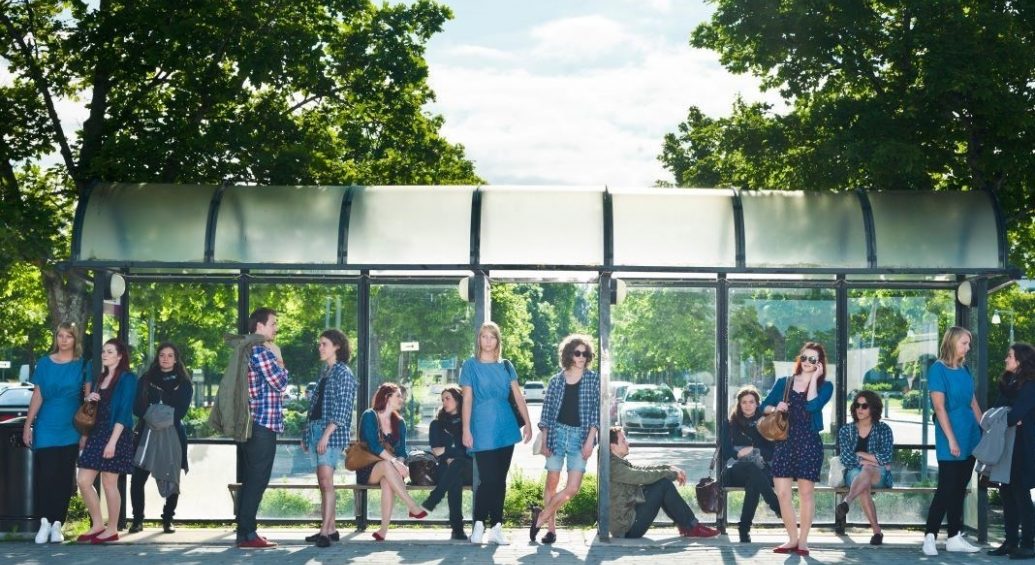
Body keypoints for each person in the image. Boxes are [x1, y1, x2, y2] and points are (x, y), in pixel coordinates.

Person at [461, 321, 532, 545]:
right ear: (479, 340)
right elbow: (467, 399)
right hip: (481, 426)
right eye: (484, 336)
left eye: (492, 337)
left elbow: (518, 396)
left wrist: (528, 423)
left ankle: (497, 527)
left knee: (499, 480)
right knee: (488, 479)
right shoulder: (470, 365)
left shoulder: (506, 365)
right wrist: (465, 429)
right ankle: (479, 524)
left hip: (506, 425)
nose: (488, 341)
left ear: (497, 341)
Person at [761, 341, 833, 556]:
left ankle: (803, 542)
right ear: (799, 359)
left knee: (806, 493)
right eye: (805, 358)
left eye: (813, 359)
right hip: (784, 443)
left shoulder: (825, 386)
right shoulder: (784, 382)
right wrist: (776, 407)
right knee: (782, 493)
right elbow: (762, 407)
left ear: (819, 363)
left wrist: (812, 381)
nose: (808, 362)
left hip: (809, 444)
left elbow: (812, 406)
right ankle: (791, 538)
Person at [530, 334, 600, 544]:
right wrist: (544, 438)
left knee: (573, 488)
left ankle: (541, 516)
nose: (581, 357)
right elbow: (547, 412)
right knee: (551, 482)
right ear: (569, 354)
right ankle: (550, 530)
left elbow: (597, 412)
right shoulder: (556, 380)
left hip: (580, 437)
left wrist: (590, 439)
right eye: (577, 353)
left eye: (585, 354)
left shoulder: (593, 379)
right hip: (556, 434)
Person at [922, 326, 983, 556]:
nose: (967, 347)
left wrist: (984, 431)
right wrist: (952, 440)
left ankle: (954, 537)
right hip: (950, 435)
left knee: (959, 487)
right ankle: (929, 536)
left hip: (970, 434)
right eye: (964, 343)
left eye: (968, 343)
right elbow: (939, 407)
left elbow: (973, 403)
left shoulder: (965, 369)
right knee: (946, 487)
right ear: (952, 343)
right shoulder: (938, 370)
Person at [24, 322, 86, 544]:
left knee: (62, 478)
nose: (63, 340)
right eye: (60, 335)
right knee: (45, 477)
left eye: (68, 336)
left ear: (75, 339)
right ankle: (44, 523)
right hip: (46, 427)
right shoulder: (44, 363)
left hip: (71, 428)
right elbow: (38, 395)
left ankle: (58, 524)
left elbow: (89, 401)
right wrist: (28, 425)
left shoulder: (82, 365)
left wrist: (86, 434)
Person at [236, 307, 290, 549]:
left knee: (252, 479)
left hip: (257, 425)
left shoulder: (252, 349)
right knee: (257, 480)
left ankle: (247, 532)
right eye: (273, 324)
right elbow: (280, 383)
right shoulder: (261, 351)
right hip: (262, 425)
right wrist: (279, 357)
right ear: (259, 326)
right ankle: (246, 534)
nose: (275, 328)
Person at [75, 338, 138, 544]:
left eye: (110, 352)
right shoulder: (100, 377)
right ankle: (97, 524)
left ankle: (112, 529)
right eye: (103, 351)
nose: (104, 355)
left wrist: (112, 442)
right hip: (97, 433)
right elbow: (94, 411)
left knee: (110, 482)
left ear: (120, 356)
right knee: (83, 481)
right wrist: (91, 400)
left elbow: (124, 411)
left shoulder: (128, 379)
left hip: (117, 434)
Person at [128, 342, 193, 534]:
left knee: (172, 477)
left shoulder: (184, 382)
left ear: (176, 359)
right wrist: (157, 414)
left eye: (170, 355)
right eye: (162, 355)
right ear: (157, 357)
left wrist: (154, 412)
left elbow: (179, 412)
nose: (165, 358)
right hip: (146, 434)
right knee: (138, 479)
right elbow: (137, 407)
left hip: (173, 434)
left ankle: (168, 519)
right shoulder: (146, 380)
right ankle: (138, 520)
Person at [608, 426, 719, 539]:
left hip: (629, 520)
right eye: (623, 441)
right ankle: (691, 527)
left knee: (661, 484)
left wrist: (669, 468)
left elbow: (642, 470)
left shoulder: (616, 463)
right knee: (663, 485)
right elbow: (642, 476)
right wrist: (672, 474)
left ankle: (688, 525)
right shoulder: (614, 467)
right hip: (628, 528)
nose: (628, 443)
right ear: (613, 446)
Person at [300, 329, 357, 548]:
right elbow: (314, 408)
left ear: (337, 346)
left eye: (324, 344)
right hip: (316, 431)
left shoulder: (343, 372)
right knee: (323, 483)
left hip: (329, 434)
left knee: (326, 482)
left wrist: (325, 435)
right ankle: (330, 528)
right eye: (320, 344)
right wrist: (307, 435)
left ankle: (325, 531)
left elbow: (343, 409)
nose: (320, 347)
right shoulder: (326, 371)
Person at [355, 382, 428, 541]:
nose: (402, 400)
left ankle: (383, 530)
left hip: (390, 468)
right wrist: (396, 463)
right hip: (368, 468)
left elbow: (402, 450)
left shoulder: (400, 422)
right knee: (387, 465)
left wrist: (400, 463)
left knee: (388, 480)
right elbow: (374, 446)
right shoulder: (370, 415)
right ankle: (412, 506)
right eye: (398, 396)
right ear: (387, 397)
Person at [987, 342, 1035, 559]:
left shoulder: (1030, 385)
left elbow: (1014, 416)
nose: (1006, 359)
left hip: (1023, 449)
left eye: (1009, 356)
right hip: (1007, 447)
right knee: (1006, 494)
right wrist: (1007, 417)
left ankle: (1028, 544)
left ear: (1020, 360)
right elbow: (997, 413)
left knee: (1021, 495)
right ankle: (1010, 542)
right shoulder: (1008, 382)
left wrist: (1008, 417)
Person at [722, 385, 781, 543]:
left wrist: (755, 449)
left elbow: (773, 452)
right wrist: (737, 453)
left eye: (751, 402)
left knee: (753, 480)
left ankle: (744, 529)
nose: (748, 405)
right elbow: (725, 452)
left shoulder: (766, 423)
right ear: (739, 404)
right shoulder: (729, 424)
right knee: (750, 469)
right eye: (744, 402)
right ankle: (775, 504)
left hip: (760, 470)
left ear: (757, 404)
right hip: (735, 471)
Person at [834, 390, 894, 545]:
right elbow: (846, 458)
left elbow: (886, 457)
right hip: (854, 473)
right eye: (857, 405)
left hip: (879, 475)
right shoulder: (846, 430)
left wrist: (861, 454)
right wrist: (871, 460)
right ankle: (877, 532)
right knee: (864, 483)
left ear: (873, 408)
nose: (859, 409)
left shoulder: (884, 429)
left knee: (866, 472)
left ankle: (847, 501)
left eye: (864, 406)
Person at [419, 385, 473, 540]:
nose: (444, 402)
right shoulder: (437, 424)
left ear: (457, 399)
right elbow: (436, 451)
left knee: (457, 464)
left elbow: (470, 448)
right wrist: (456, 449)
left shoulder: (468, 422)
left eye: (448, 398)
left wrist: (450, 452)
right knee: (454, 477)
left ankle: (433, 500)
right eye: (442, 399)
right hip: (446, 469)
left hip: (468, 467)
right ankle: (458, 530)